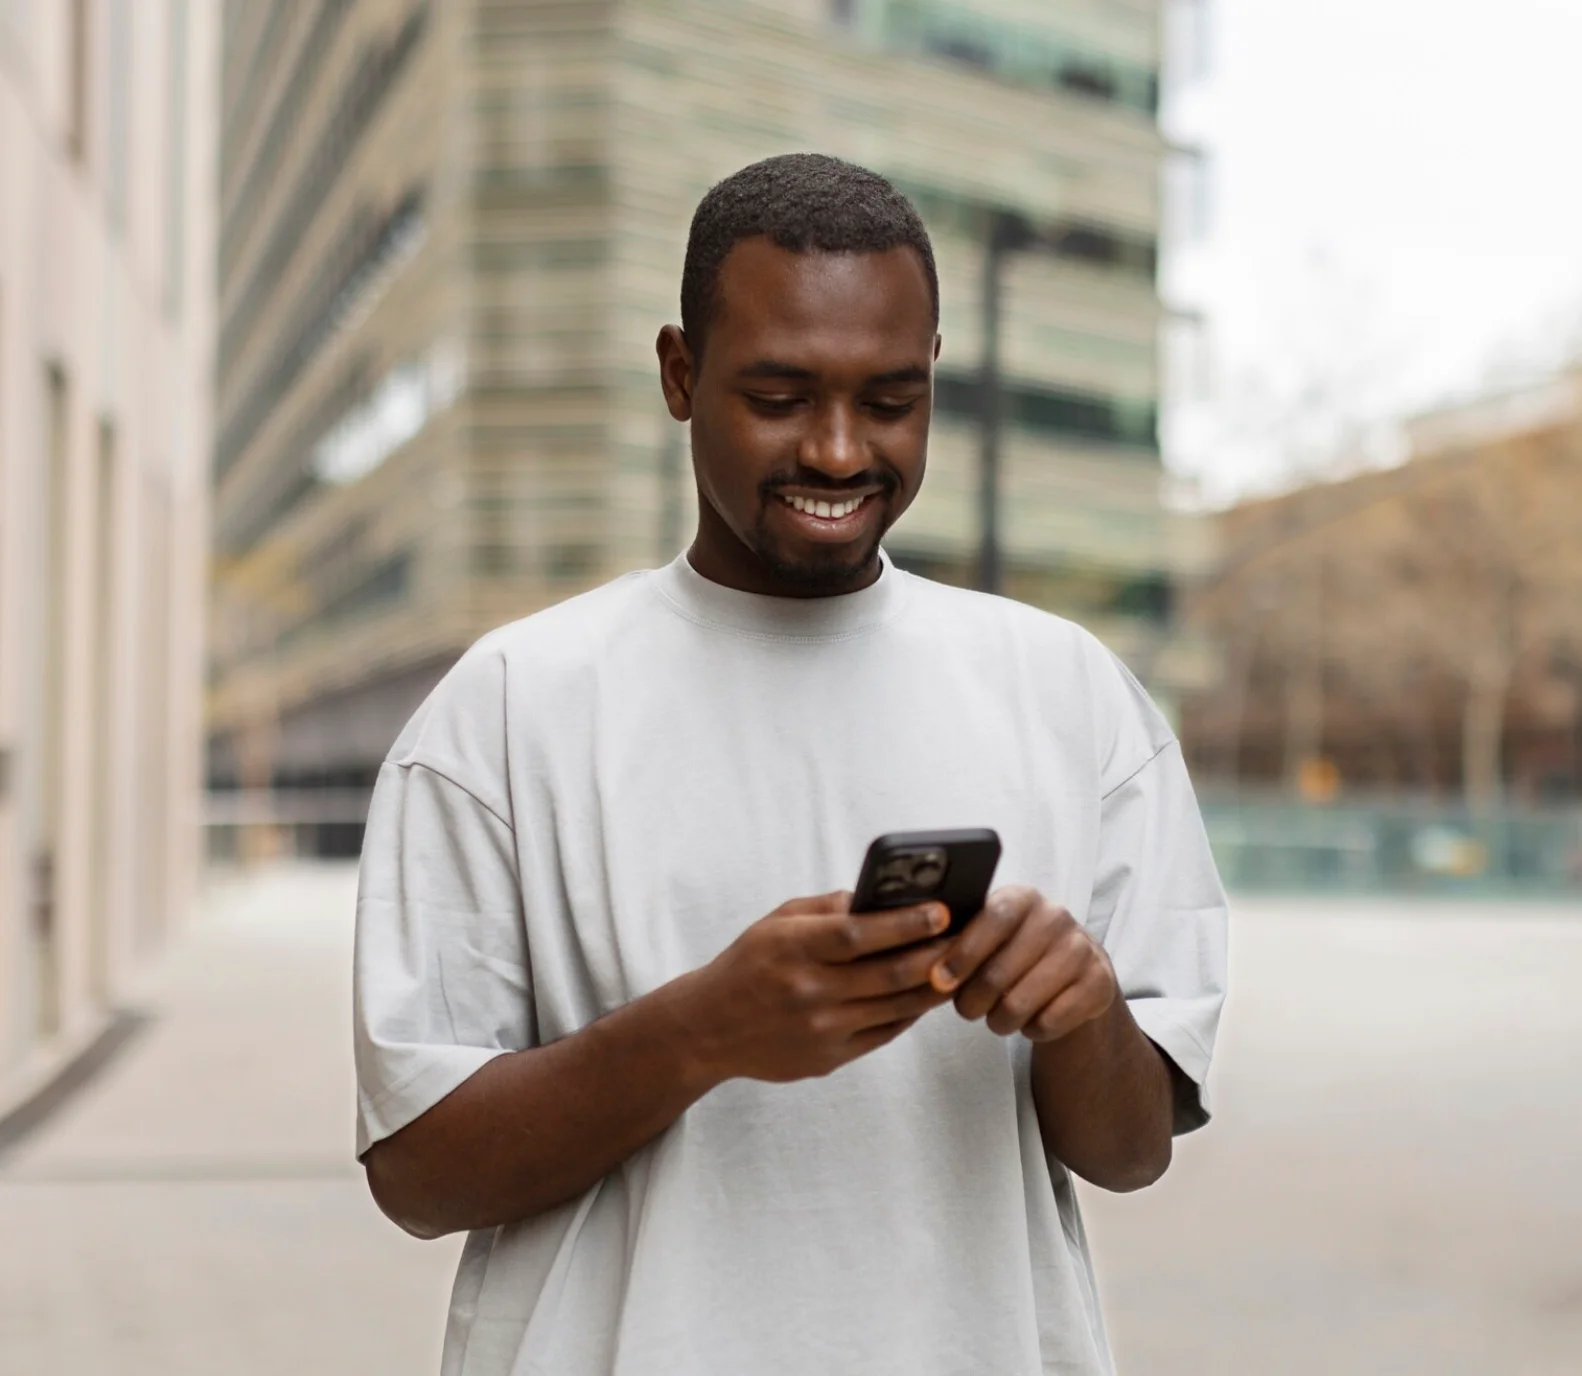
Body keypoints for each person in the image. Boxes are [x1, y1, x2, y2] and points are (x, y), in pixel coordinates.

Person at [353, 153, 1228, 1376]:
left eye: (888, 399)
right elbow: (417, 1169)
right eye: (777, 393)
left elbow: (1132, 1152)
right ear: (678, 374)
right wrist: (703, 1030)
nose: (834, 450)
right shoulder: (509, 707)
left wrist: (1079, 1007)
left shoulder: (1070, 693)